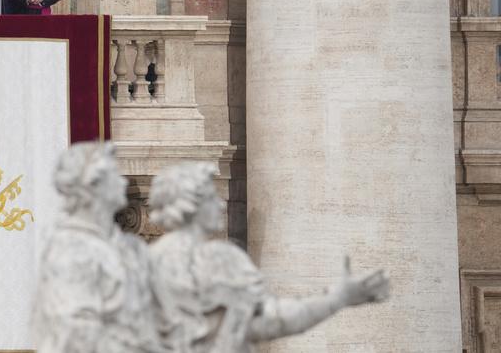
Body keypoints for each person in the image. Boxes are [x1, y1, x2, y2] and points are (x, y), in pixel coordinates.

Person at [147, 163, 389, 352]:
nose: (220, 204)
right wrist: (338, 298)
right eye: (211, 197)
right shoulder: (220, 261)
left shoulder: (146, 262)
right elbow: (270, 321)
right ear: (191, 204)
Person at [33, 142, 164, 353]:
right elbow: (73, 335)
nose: (123, 181)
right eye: (114, 174)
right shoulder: (71, 251)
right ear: (92, 185)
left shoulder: (128, 245)